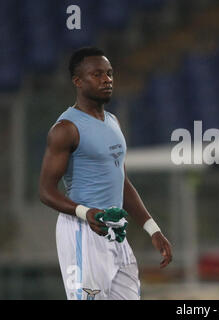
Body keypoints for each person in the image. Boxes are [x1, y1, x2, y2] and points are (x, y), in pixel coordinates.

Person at [38, 47, 172, 300]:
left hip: (115, 230)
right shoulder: (66, 128)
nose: (107, 80)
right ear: (78, 81)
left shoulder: (112, 121)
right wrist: (85, 212)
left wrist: (152, 228)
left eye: (109, 74)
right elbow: (45, 192)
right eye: (97, 74)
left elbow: (122, 182)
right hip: (83, 230)